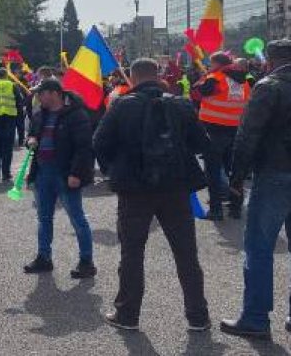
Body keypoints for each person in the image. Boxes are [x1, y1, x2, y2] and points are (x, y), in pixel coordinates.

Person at [93, 58, 211, 332]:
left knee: (132, 253)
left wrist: (116, 169)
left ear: (132, 78)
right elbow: (201, 143)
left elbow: (99, 142)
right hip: (175, 188)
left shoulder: (122, 104)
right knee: (186, 254)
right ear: (158, 76)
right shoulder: (180, 103)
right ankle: (198, 316)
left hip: (134, 190)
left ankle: (128, 315)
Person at [220, 40, 291, 339]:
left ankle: (255, 318)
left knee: (259, 247)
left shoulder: (269, 86)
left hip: (275, 172)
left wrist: (236, 178)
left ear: (271, 60)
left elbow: (247, 135)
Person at [22, 79, 96, 278]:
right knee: (44, 218)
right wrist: (30, 140)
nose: (37, 97)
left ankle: (86, 261)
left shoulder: (76, 115)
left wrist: (76, 173)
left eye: (41, 93)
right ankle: (44, 258)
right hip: (43, 173)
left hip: (65, 174)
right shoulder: (39, 115)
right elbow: (31, 135)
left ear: (54, 93)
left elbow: (84, 148)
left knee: (77, 218)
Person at [194, 52, 250, 220]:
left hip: (215, 131)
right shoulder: (243, 81)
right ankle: (235, 208)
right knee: (233, 170)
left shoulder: (215, 78)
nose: (209, 67)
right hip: (236, 130)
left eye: (211, 64)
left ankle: (216, 210)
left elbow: (197, 94)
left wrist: (203, 77)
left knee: (213, 171)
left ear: (217, 64)